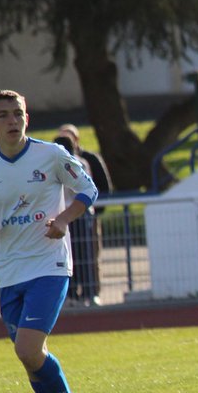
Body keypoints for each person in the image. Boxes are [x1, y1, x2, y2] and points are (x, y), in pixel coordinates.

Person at [0, 90, 97, 393]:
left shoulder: (52, 155)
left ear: (28, 118)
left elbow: (87, 190)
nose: (12, 121)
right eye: (4, 116)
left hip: (49, 265)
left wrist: (62, 219)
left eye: (18, 114)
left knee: (28, 347)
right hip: (8, 269)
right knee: (29, 358)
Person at [55, 124, 111, 306]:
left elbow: (85, 189)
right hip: (64, 215)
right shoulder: (53, 166)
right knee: (65, 258)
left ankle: (89, 292)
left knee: (86, 255)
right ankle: (71, 294)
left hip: (79, 214)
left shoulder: (80, 163)